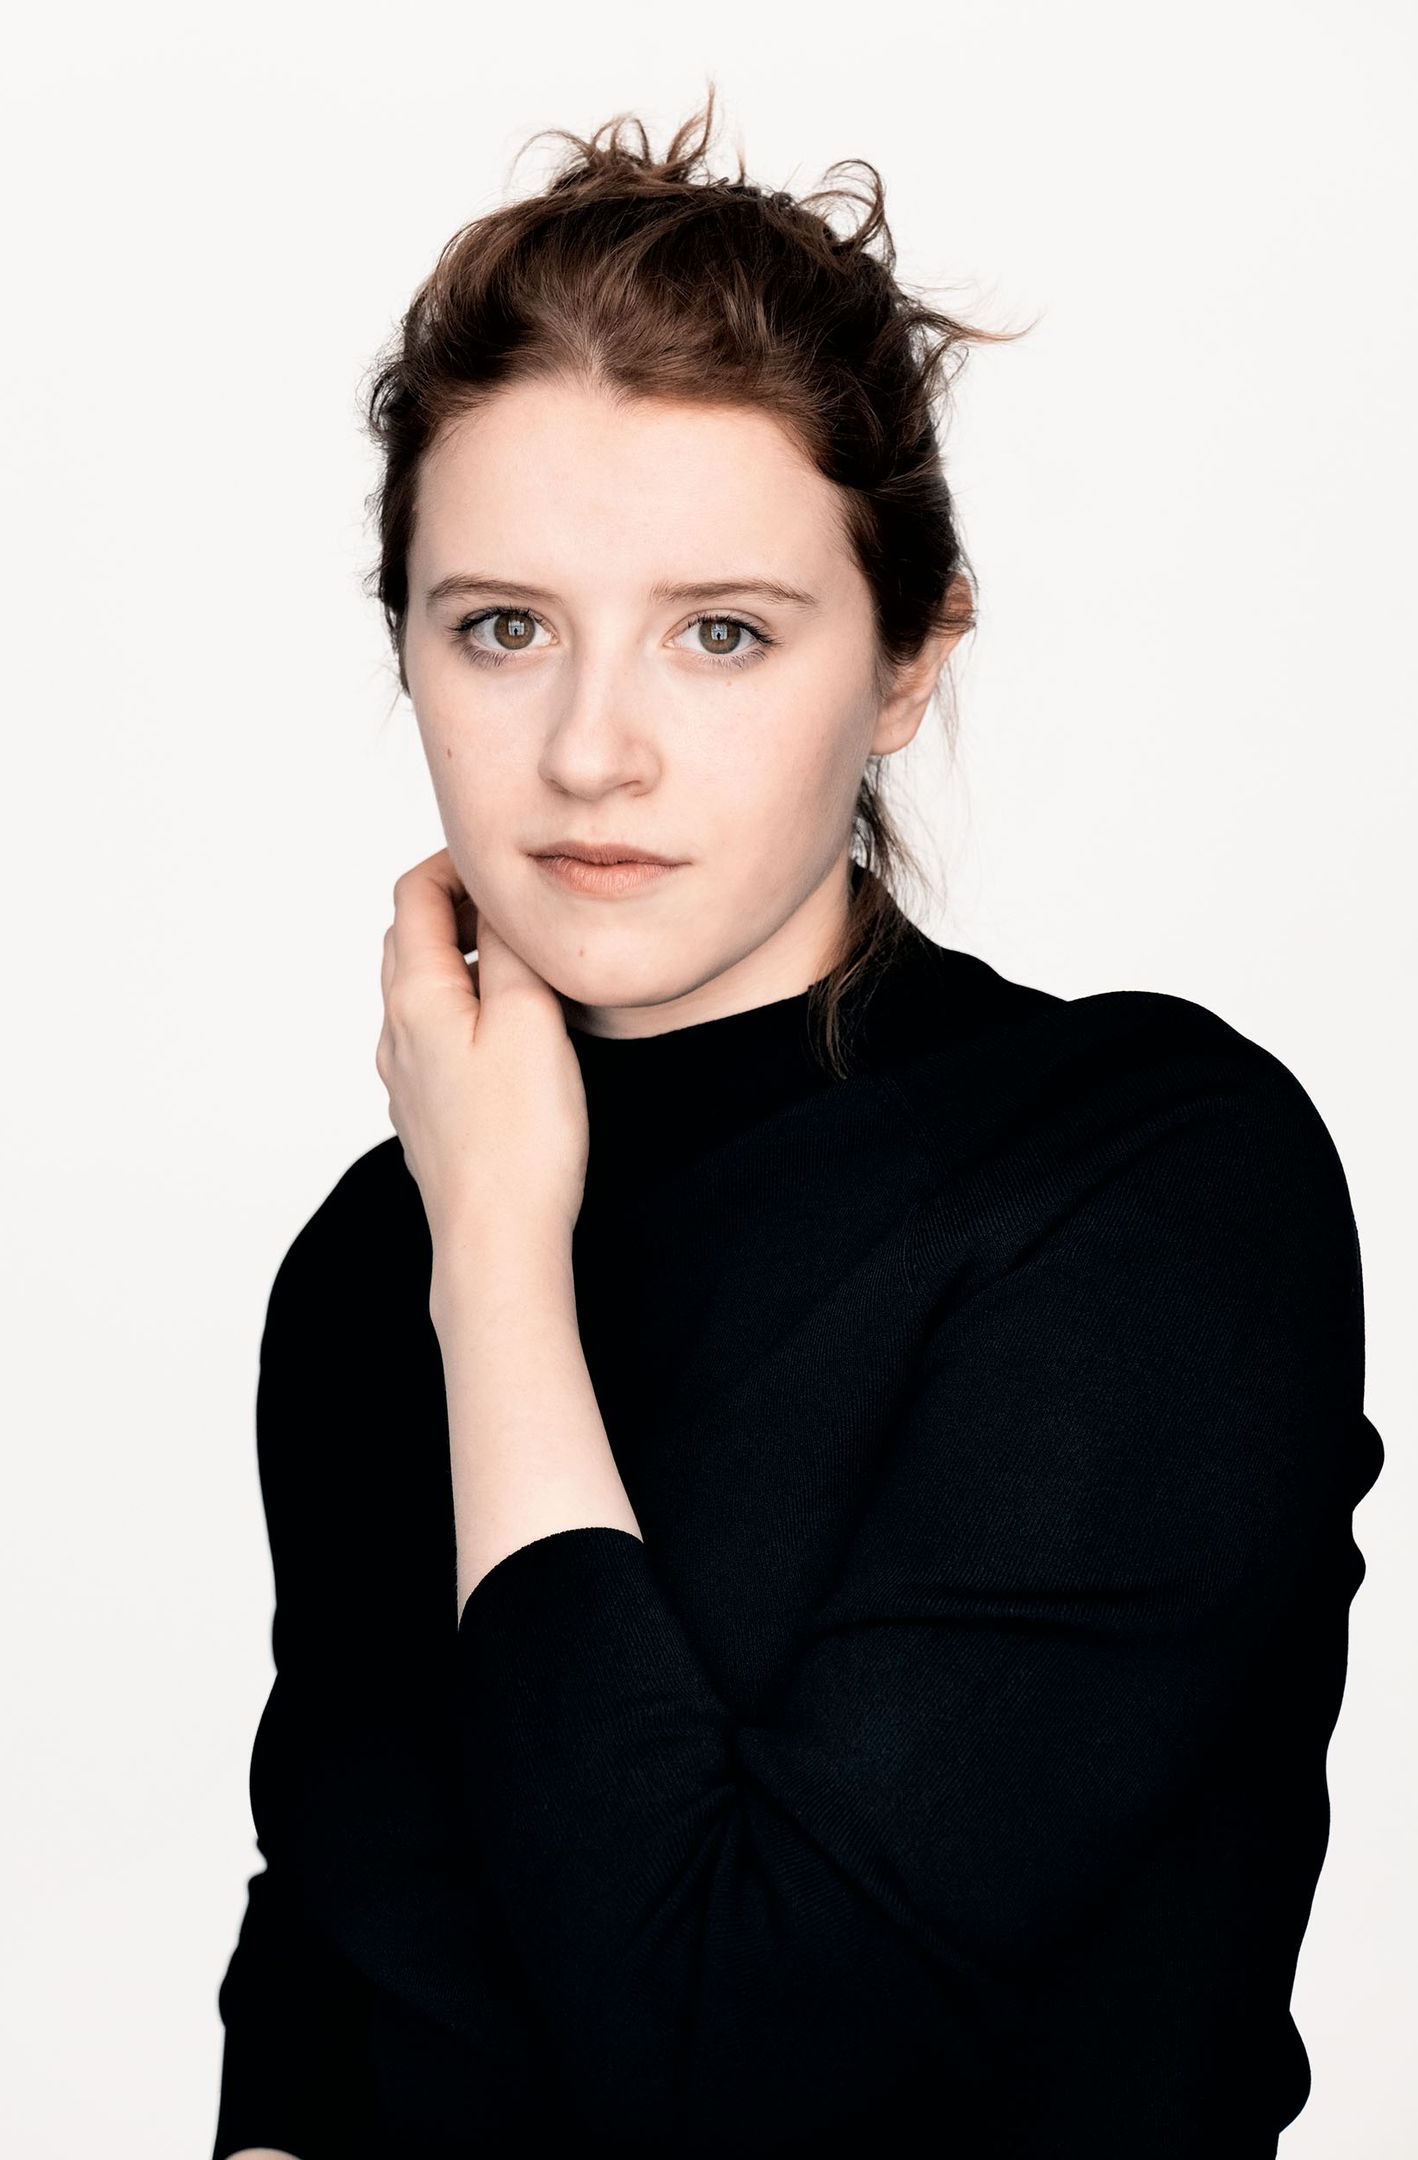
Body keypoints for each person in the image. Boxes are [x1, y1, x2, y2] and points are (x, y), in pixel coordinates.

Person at [211, 86, 1383, 2160]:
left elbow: (746, 2070)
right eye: (501, 626)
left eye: (722, 634)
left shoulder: (1146, 1182)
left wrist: (502, 1274)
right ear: (405, 644)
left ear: (908, 661)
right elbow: (337, 1982)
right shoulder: (370, 1254)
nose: (590, 751)